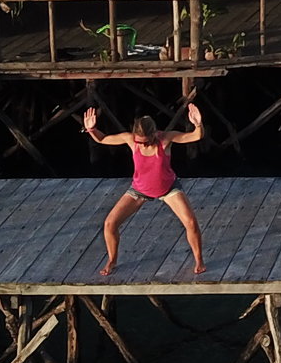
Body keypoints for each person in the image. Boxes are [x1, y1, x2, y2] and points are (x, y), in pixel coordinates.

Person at [84, 101, 206, 277]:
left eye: (146, 142)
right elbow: (103, 139)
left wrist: (198, 124)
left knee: (191, 223)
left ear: (153, 135)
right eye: (139, 142)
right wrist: (92, 129)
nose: (141, 145)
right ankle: (112, 260)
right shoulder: (130, 140)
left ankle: (199, 260)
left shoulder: (166, 139)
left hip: (168, 188)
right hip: (139, 190)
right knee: (110, 223)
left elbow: (195, 136)